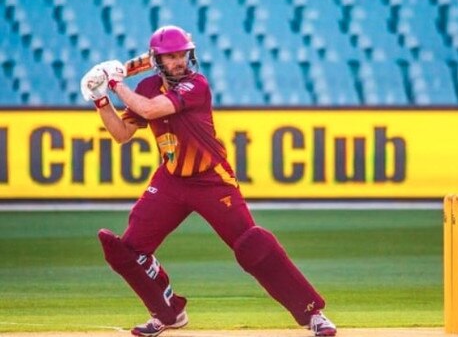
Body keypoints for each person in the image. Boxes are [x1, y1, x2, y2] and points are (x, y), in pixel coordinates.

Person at [80, 25, 337, 337]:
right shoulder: (146, 87)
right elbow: (121, 135)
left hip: (212, 180)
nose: (179, 62)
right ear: (158, 61)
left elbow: (149, 108)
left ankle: (314, 314)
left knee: (252, 245)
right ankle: (167, 311)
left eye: (182, 55)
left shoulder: (195, 84)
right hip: (172, 180)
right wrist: (100, 99)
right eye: (171, 57)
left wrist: (116, 82)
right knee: (129, 250)